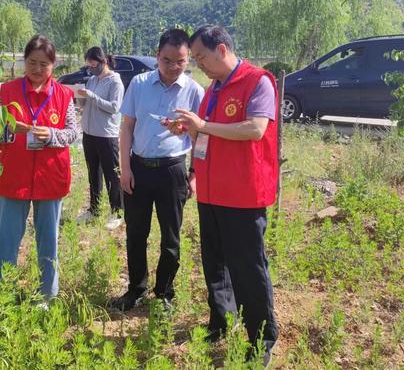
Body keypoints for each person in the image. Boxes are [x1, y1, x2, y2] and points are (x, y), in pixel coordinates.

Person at [171, 24, 279, 365]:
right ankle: (221, 319)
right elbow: (206, 136)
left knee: (248, 267)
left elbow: (255, 128)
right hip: (211, 190)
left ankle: (261, 337)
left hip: (244, 193)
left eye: (201, 56)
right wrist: (189, 129)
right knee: (214, 262)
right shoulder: (213, 89)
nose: (198, 64)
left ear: (221, 50)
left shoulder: (257, 81)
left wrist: (203, 126)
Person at [110, 29, 204, 312]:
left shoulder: (194, 91)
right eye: (167, 60)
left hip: (172, 171)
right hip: (139, 167)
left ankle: (164, 292)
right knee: (136, 234)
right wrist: (125, 168)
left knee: (171, 237)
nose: (174, 67)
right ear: (156, 56)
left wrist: (194, 173)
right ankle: (136, 288)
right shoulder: (139, 84)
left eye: (181, 61)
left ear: (188, 59)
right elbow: (126, 127)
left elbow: (200, 138)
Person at [0, 34, 79, 301]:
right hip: (14, 177)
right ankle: (3, 294)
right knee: (6, 240)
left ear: (53, 66)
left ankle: (46, 296)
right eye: (32, 62)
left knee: (48, 240)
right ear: (24, 61)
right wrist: (8, 130)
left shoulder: (64, 95)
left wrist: (50, 135)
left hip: (50, 177)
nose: (37, 69)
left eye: (44, 64)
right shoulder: (7, 92)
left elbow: (72, 132)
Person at [76, 46, 125, 229]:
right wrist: (80, 98)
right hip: (89, 134)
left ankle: (117, 212)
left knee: (112, 175)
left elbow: (114, 107)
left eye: (93, 63)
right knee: (93, 173)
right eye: (88, 64)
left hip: (106, 135)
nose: (90, 67)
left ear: (103, 61)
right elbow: (86, 104)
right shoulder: (93, 80)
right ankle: (93, 210)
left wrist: (92, 96)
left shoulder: (115, 82)